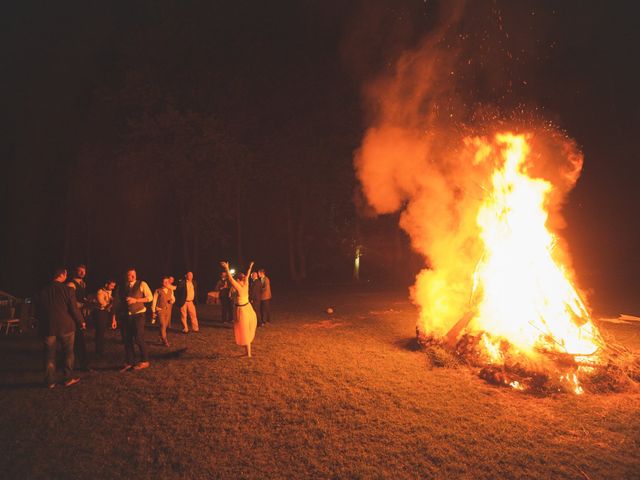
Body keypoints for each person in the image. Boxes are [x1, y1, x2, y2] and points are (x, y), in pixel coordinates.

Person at [35, 268, 84, 388]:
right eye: (66, 274)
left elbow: (38, 311)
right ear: (62, 275)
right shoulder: (68, 290)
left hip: (48, 327)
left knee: (49, 354)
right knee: (68, 352)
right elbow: (73, 309)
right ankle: (67, 378)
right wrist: (81, 321)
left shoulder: (42, 291)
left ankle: (50, 381)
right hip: (66, 326)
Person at [116, 268, 153, 371]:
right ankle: (129, 361)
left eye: (134, 275)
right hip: (125, 316)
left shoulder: (142, 284)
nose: (132, 277)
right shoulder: (122, 286)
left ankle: (144, 361)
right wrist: (114, 317)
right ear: (126, 276)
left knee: (138, 338)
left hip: (138, 314)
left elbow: (150, 297)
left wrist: (136, 300)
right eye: (130, 275)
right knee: (127, 339)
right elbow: (117, 302)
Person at [221, 261, 257, 357]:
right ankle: (247, 352)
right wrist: (250, 267)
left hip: (242, 311)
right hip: (246, 308)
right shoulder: (246, 284)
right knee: (245, 330)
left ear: (238, 279)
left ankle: (248, 353)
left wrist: (226, 268)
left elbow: (230, 279)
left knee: (244, 331)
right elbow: (248, 274)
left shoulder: (239, 287)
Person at [67, 264, 91, 370]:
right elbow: (69, 301)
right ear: (75, 272)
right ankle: (82, 364)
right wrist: (82, 305)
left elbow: (82, 298)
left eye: (84, 271)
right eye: (80, 271)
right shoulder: (71, 284)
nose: (82, 273)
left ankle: (73, 362)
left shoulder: (83, 284)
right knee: (77, 339)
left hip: (80, 313)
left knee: (77, 339)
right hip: (73, 315)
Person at [94, 279, 117, 358]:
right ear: (106, 284)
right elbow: (104, 305)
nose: (113, 288)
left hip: (105, 312)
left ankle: (100, 349)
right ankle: (98, 350)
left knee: (102, 331)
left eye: (114, 286)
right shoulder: (100, 292)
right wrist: (113, 303)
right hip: (100, 313)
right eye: (111, 285)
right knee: (100, 331)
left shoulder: (109, 291)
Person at [152, 276, 175, 347]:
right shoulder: (158, 290)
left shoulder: (170, 290)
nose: (166, 283)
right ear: (161, 282)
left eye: (167, 282)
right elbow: (154, 301)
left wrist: (172, 301)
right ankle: (165, 341)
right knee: (162, 325)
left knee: (164, 326)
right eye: (164, 282)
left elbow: (173, 298)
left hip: (168, 310)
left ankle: (160, 337)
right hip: (160, 310)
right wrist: (153, 311)